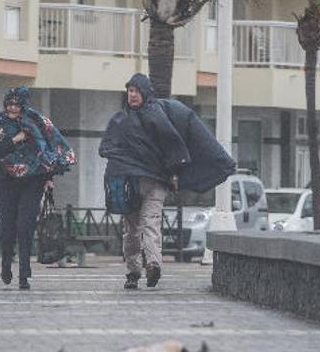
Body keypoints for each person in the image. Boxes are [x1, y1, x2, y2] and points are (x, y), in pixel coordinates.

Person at [100, 73, 235, 289]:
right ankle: (136, 270)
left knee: (148, 223)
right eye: (129, 91)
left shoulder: (152, 117)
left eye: (136, 91)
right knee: (134, 229)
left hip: (153, 183)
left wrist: (172, 171)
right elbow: (111, 150)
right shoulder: (121, 120)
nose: (132, 95)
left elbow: (171, 145)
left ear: (144, 92)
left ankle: (149, 266)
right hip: (131, 184)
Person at [0, 86, 75, 290]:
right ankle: (6, 263)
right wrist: (16, 139)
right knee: (7, 228)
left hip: (33, 179)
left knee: (25, 226)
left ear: (23, 104)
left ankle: (24, 274)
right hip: (5, 180)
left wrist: (49, 176)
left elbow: (51, 148)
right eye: (9, 104)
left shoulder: (38, 122)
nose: (13, 108)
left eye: (17, 104)